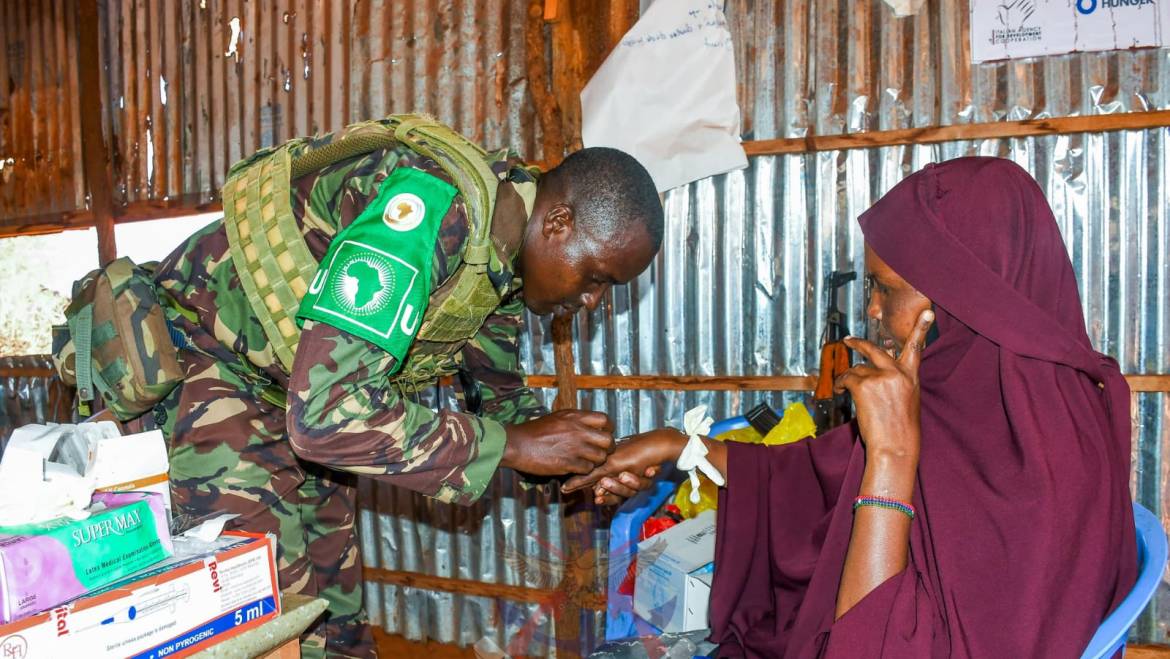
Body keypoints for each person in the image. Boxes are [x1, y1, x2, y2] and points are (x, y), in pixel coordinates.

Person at [566, 157, 1137, 657]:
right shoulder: (962, 399)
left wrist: (892, 456)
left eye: (886, 289)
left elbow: (876, 646)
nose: (872, 311)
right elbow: (806, 479)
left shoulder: (1046, 463)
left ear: (967, 296)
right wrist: (680, 445)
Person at [151, 115, 664, 658]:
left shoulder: (503, 251)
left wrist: (580, 463)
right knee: (263, 625)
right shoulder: (431, 211)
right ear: (558, 222)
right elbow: (328, 416)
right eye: (597, 278)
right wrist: (515, 446)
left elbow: (499, 397)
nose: (592, 302)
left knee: (334, 621)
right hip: (216, 367)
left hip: (296, 393)